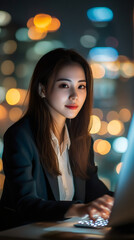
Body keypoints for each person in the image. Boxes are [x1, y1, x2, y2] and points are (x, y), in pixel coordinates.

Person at [0, 48, 114, 231]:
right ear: (42, 89)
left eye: (81, 86)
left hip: (65, 233)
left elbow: (94, 192)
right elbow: (26, 203)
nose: (74, 96)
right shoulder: (20, 136)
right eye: (64, 85)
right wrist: (79, 209)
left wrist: (121, 201)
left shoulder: (81, 139)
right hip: (23, 234)